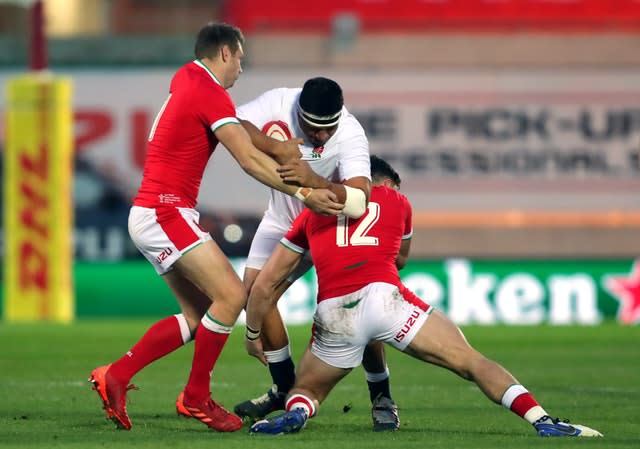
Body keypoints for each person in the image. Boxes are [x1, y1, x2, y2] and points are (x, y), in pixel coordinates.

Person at [88, 22, 344, 432]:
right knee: (231, 295)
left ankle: (115, 376)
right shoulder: (209, 91)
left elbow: (237, 128)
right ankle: (196, 397)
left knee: (201, 314)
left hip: (156, 211)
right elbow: (246, 158)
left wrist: (276, 146)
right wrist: (306, 194)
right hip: (164, 211)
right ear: (225, 52)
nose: (241, 67)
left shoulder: (190, 78)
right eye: (240, 58)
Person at [244, 155, 603, 438]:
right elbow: (400, 259)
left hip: (336, 310)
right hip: (386, 300)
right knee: (471, 361)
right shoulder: (397, 201)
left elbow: (266, 284)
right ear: (380, 182)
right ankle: (543, 420)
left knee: (306, 389)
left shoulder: (312, 212)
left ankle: (297, 413)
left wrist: (253, 333)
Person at [227, 77, 400, 431]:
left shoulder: (350, 132)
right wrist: (273, 148)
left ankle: (381, 393)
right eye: (313, 129)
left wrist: (314, 180)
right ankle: (284, 388)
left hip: (327, 226)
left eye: (327, 130)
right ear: (298, 114)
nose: (321, 137)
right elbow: (232, 123)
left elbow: (358, 201)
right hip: (282, 218)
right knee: (255, 296)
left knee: (358, 307)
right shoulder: (278, 102)